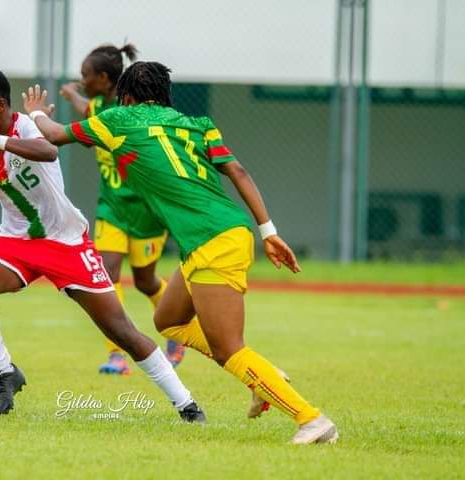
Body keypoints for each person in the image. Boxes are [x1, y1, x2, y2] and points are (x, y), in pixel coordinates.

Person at [20, 62, 338, 444]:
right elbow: (237, 170)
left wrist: (35, 111)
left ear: (128, 96)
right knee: (168, 319)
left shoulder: (120, 117)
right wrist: (268, 231)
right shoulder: (197, 123)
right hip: (222, 234)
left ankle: (312, 419)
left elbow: (53, 135)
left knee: (228, 349)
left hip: (212, 240)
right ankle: (264, 377)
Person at [0, 67, 204, 421]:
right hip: (15, 242)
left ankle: (187, 404)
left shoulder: (25, 127)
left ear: (2, 105)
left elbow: (48, 151)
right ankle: (5, 374)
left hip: (65, 242)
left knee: (121, 331)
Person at [60, 44, 185, 375]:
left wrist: (72, 95)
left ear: (103, 78)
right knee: (107, 273)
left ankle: (178, 333)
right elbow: (86, 110)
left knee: (145, 281)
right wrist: (74, 93)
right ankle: (116, 354)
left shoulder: (125, 113)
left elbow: (86, 110)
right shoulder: (99, 105)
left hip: (146, 211)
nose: (81, 80)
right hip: (111, 209)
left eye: (85, 75)